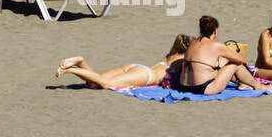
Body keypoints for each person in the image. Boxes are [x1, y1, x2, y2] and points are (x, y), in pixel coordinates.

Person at [172, 15, 268, 95]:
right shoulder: (216, 45)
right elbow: (240, 60)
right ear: (215, 31)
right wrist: (230, 54)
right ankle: (257, 86)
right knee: (235, 64)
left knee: (217, 64)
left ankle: (242, 83)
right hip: (202, 88)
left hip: (183, 87)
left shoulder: (193, 42)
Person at [56, 35, 193, 89]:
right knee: (106, 84)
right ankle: (69, 70)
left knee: (95, 81)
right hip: (146, 75)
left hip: (135, 67)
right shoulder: (182, 60)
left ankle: (80, 62)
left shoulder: (170, 54)